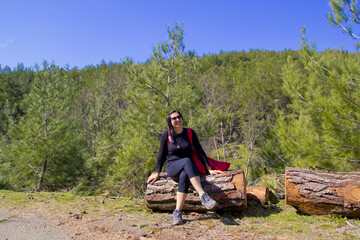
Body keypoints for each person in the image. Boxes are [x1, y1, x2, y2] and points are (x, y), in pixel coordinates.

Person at [147, 110, 222, 225]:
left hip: (188, 169)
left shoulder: (190, 133)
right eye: (174, 118)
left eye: (179, 117)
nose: (177, 120)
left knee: (185, 176)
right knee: (187, 161)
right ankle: (203, 196)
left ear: (182, 118)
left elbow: (199, 150)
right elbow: (161, 154)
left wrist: (208, 167)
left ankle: (177, 213)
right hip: (173, 167)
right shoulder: (166, 135)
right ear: (170, 121)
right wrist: (157, 172)